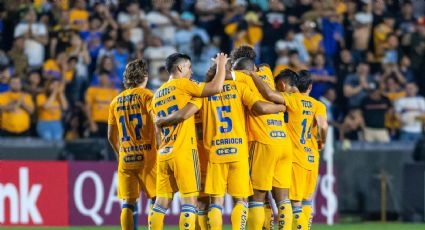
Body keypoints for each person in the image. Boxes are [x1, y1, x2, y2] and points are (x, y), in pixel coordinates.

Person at [155, 61, 286, 230]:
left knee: (215, 202)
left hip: (215, 153)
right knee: (241, 200)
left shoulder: (204, 94)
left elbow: (187, 114)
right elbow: (260, 107)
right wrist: (282, 107)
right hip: (238, 151)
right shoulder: (240, 87)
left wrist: (162, 121)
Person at [150, 53, 228, 230]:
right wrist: (222, 64)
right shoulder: (184, 84)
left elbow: (157, 130)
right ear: (180, 68)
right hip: (184, 151)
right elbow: (216, 88)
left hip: (163, 153)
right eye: (189, 67)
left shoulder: (157, 95)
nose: (191, 71)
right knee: (190, 202)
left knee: (160, 203)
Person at [248, 69, 328, 230]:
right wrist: (322, 141)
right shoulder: (318, 105)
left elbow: (270, 95)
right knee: (306, 201)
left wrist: (253, 76)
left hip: (294, 157)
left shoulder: (292, 99)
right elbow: (323, 125)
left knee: (292, 202)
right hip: (312, 157)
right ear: (310, 87)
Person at [231, 59, 293, 230]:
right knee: (283, 198)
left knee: (256, 198)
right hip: (283, 141)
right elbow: (264, 65)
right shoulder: (266, 73)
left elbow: (225, 75)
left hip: (263, 142)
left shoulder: (243, 78)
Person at [107, 59, 157, 230]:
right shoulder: (148, 96)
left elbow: (110, 136)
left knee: (128, 202)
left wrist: (119, 153)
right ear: (145, 76)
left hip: (127, 157)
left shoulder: (115, 102)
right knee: (157, 198)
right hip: (148, 156)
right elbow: (156, 120)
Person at [86, 72, 119, 137]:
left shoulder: (114, 92)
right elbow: (87, 108)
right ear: (99, 78)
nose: (104, 79)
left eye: (106, 77)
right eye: (102, 77)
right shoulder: (92, 90)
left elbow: (117, 111)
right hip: (96, 122)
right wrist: (91, 123)